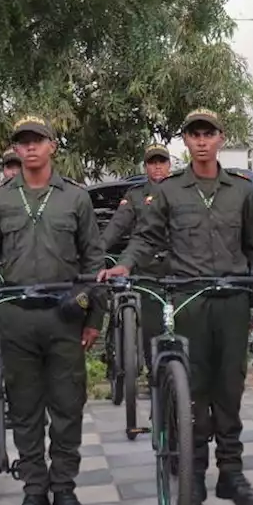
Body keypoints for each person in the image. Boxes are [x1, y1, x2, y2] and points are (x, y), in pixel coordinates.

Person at [101, 109, 253, 505]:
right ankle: (193, 476)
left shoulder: (241, 191)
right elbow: (145, 237)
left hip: (232, 300)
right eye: (194, 134)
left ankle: (232, 473)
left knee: (229, 390)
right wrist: (126, 263)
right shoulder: (169, 191)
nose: (201, 141)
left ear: (220, 139)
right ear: (187, 142)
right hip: (189, 301)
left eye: (208, 133)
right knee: (192, 393)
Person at [0, 115, 106, 505]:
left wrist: (93, 315)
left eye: (37, 141)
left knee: (67, 406)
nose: (29, 148)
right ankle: (33, 489)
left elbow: (93, 261)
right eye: (22, 142)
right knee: (25, 408)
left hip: (64, 315)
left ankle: (64, 488)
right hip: (16, 317)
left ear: (52, 146)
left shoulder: (75, 199)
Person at [100, 143, 173, 387]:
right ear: (146, 167)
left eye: (162, 161)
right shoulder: (135, 196)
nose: (158, 167)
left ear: (169, 166)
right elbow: (117, 226)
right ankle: (155, 374)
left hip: (179, 266)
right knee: (151, 323)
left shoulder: (180, 190)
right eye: (153, 162)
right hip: (146, 265)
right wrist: (97, 251)